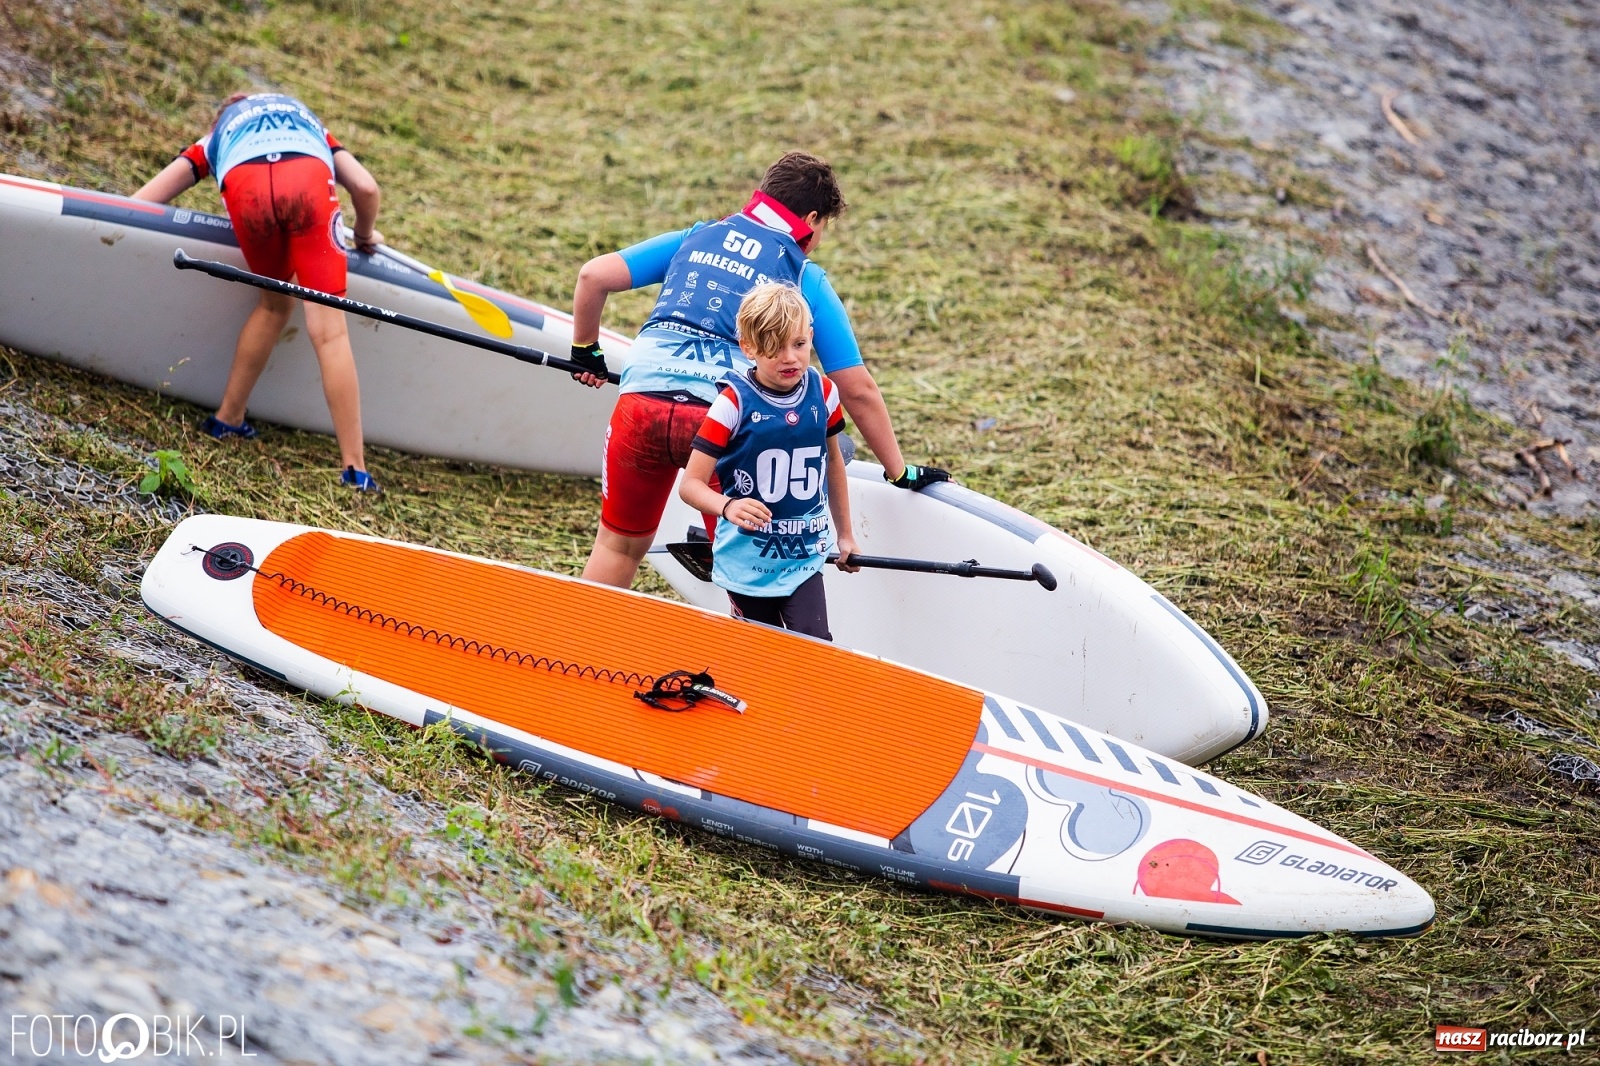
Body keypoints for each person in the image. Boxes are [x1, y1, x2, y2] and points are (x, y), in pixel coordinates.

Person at [567, 150, 948, 588]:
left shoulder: (694, 236)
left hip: (641, 408)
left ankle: (573, 651)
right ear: (810, 218)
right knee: (747, 577)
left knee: (617, 547)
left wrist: (585, 350)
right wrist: (897, 470)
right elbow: (856, 390)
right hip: (718, 426)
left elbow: (592, 276)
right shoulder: (804, 275)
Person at [133, 91, 384, 493]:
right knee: (330, 330)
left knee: (273, 307)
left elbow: (141, 203)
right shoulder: (308, 121)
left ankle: (227, 419)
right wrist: (364, 234)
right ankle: (355, 470)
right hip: (309, 184)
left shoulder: (216, 137)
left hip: (247, 190)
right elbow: (367, 189)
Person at [679, 283, 858, 640]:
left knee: (815, 646)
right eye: (773, 348)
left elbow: (833, 462)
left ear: (810, 337)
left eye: (798, 344)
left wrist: (846, 534)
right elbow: (691, 485)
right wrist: (727, 506)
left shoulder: (823, 392)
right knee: (761, 657)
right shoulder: (733, 404)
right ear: (749, 348)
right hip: (747, 566)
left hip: (802, 559)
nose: (789, 357)